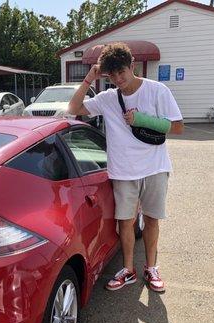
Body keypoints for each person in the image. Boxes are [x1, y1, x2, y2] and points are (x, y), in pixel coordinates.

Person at [68, 42, 184, 292]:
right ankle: (128, 269)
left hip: (155, 167)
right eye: (112, 75)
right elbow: (74, 109)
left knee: (152, 220)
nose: (118, 79)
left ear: (132, 66)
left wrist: (142, 120)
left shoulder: (157, 91)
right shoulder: (108, 98)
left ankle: (151, 267)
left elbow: (177, 126)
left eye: (121, 72)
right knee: (125, 222)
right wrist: (90, 77)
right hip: (123, 171)